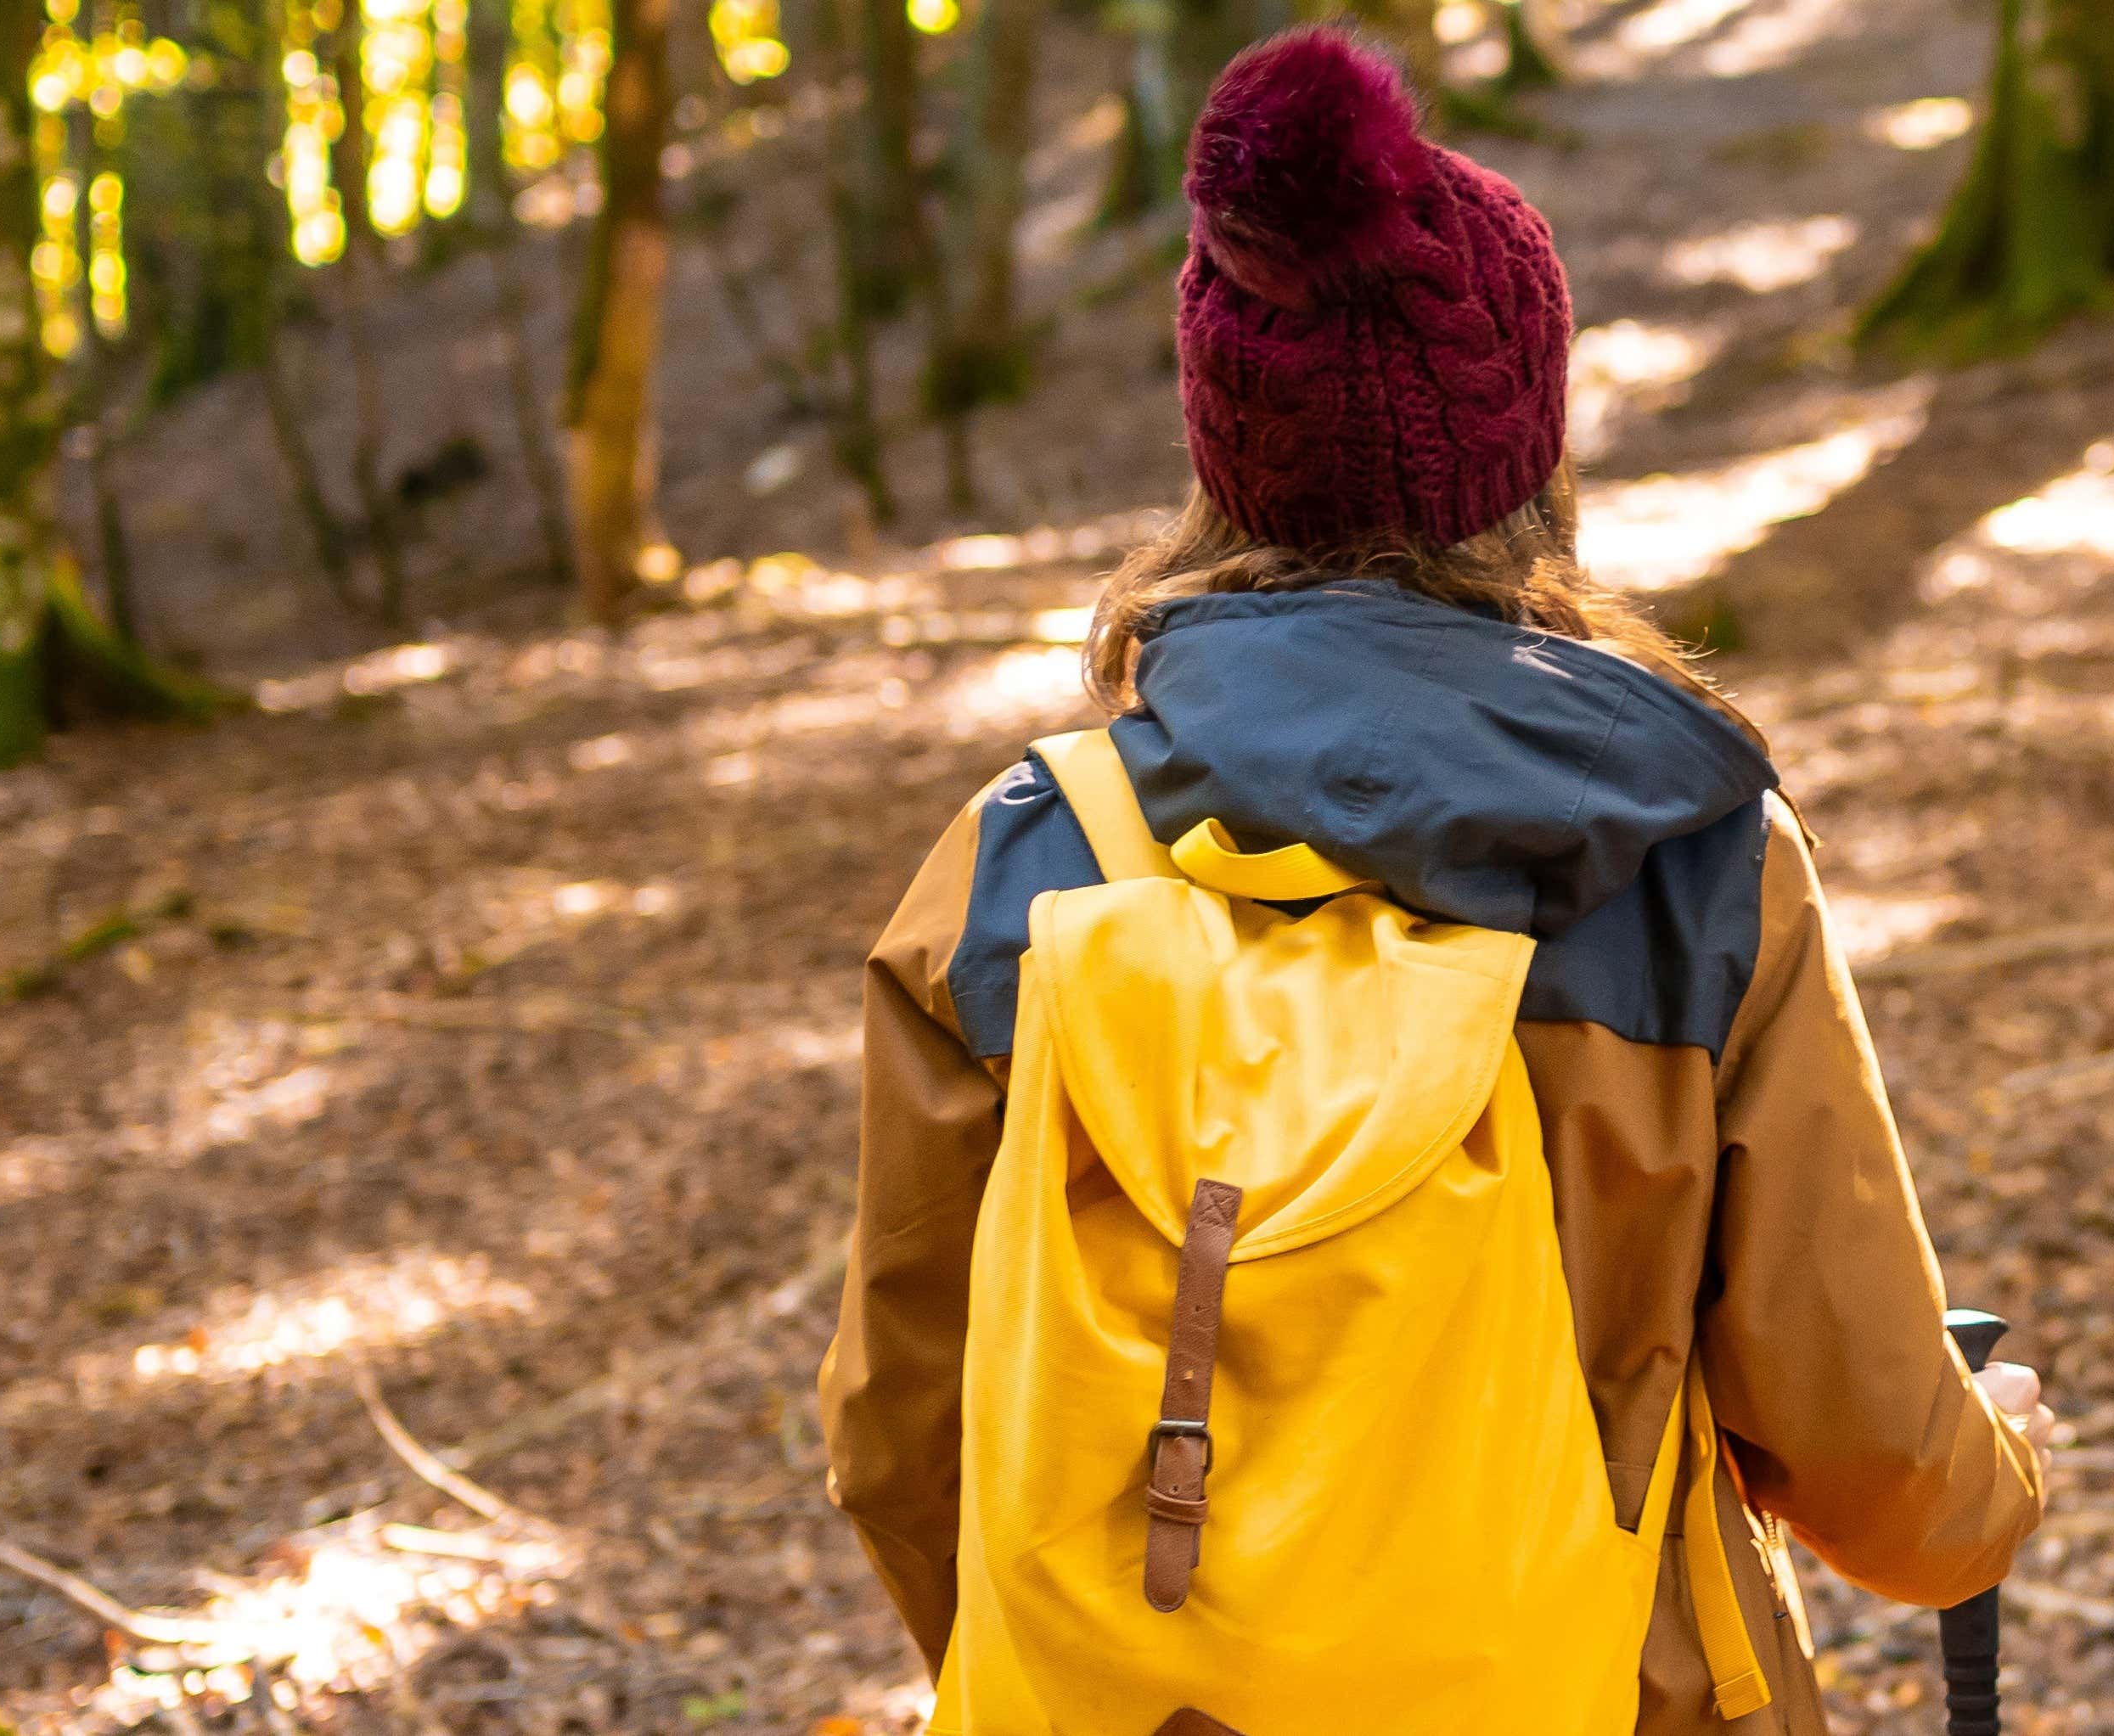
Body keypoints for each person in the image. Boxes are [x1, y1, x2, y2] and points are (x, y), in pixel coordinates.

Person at [817, 29, 2048, 1733]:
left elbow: (904, 1431)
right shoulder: (1696, 867)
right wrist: (1996, 1478)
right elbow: (1879, 1458)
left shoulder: (1019, 863)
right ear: (1529, 449)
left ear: (1223, 454)